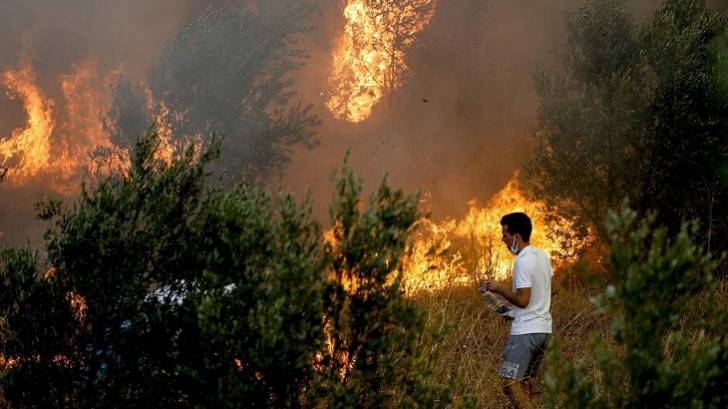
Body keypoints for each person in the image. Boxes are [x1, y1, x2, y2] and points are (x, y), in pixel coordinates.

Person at [485, 212, 556, 409]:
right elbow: (552, 288)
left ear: (516, 237)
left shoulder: (522, 261)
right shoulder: (541, 255)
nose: (503, 239)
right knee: (523, 382)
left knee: (509, 382)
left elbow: (523, 301)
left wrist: (499, 289)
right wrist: (515, 312)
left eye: (505, 235)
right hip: (543, 330)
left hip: (525, 333)